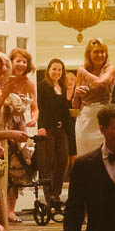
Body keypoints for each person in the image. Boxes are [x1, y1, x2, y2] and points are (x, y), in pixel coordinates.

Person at [1, 48, 39, 222]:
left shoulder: (29, 83)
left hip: (19, 124)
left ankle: (11, 209)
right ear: (11, 62)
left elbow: (35, 107)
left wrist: (34, 119)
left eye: (24, 61)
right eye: (18, 61)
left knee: (17, 166)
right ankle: (0, 208)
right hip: (4, 122)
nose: (21, 64)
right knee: (3, 165)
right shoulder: (4, 80)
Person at [36, 57, 74, 206]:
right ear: (48, 70)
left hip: (61, 129)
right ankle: (49, 195)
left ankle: (56, 194)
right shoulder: (43, 86)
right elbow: (40, 107)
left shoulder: (62, 87)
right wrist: (41, 126)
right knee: (48, 162)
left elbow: (64, 110)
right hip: (48, 128)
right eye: (54, 69)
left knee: (63, 160)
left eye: (60, 69)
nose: (57, 72)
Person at [71, 37, 115, 158]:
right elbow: (75, 105)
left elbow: (100, 83)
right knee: (85, 157)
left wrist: (84, 72)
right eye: (96, 51)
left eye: (103, 52)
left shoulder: (110, 69)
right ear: (89, 53)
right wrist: (76, 94)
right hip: (85, 118)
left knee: (106, 156)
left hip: (105, 117)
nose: (100, 55)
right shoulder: (82, 70)